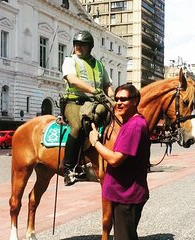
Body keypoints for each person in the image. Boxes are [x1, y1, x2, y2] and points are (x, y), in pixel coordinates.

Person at [89, 84, 150, 240]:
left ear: (135, 101)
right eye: (116, 99)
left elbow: (115, 159)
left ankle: (70, 166)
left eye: (123, 99)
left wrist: (95, 142)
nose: (118, 103)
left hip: (127, 196)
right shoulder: (129, 122)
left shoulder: (134, 126)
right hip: (122, 195)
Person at [62, 30, 114, 186]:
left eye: (82, 45)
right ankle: (69, 169)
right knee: (77, 127)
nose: (78, 47)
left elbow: (107, 85)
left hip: (96, 102)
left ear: (90, 46)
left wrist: (112, 98)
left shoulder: (98, 64)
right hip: (74, 102)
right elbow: (72, 79)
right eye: (76, 44)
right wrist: (94, 91)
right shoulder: (70, 60)